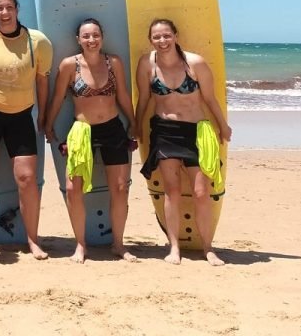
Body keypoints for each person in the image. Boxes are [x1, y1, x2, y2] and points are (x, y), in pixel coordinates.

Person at [134, 18, 232, 266]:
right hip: (165, 131)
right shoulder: (147, 63)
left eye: (166, 35)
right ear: (150, 40)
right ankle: (174, 247)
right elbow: (144, 99)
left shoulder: (195, 63)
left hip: (196, 132)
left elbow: (209, 99)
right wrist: (136, 127)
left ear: (175, 36)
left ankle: (208, 248)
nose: (162, 41)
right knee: (172, 190)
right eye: (156, 37)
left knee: (201, 193)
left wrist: (223, 125)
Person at [44, 18, 138, 263]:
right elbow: (57, 97)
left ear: (102, 37)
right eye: (86, 36)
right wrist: (48, 123)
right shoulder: (69, 65)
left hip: (113, 129)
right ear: (78, 39)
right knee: (74, 190)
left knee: (120, 188)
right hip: (81, 131)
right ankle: (80, 244)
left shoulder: (113, 62)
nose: (91, 40)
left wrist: (134, 121)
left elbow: (124, 96)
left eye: (95, 35)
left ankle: (118, 244)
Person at [0, 0, 53, 258]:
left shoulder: (37, 41)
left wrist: (43, 114)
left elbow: (42, 80)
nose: (4, 13)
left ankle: (33, 239)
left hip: (21, 115)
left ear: (17, 9)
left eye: (9, 8)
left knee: (27, 178)